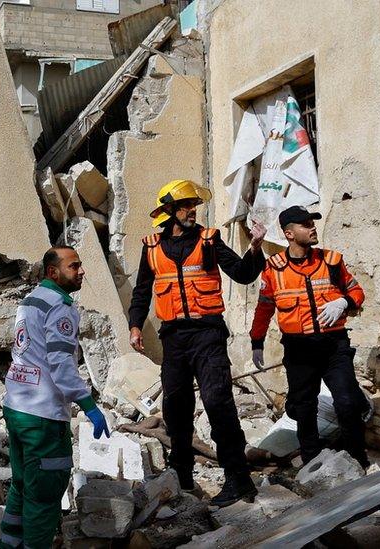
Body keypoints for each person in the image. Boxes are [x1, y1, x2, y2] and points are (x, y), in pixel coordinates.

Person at [128, 179, 266, 507]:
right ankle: (183, 476)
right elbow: (141, 293)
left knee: (218, 401)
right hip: (173, 339)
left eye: (194, 205)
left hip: (208, 335)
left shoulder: (209, 240)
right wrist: (135, 326)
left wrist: (256, 247)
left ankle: (238, 479)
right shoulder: (150, 247)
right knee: (176, 409)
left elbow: (244, 273)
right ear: (169, 211)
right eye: (186, 205)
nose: (193, 210)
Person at [0, 246, 110, 549]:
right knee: (45, 495)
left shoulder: (31, 300)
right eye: (74, 266)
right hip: (42, 416)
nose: (82, 271)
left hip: (17, 407)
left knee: (22, 486)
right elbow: (61, 366)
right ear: (53, 272)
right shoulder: (60, 307)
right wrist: (89, 406)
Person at [250, 205, 369, 468]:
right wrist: (256, 341)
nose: (312, 228)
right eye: (305, 225)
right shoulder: (274, 269)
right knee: (303, 406)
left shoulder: (332, 261)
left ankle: (357, 460)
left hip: (334, 345)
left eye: (312, 223)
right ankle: (313, 462)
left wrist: (343, 302)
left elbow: (358, 292)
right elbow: (264, 308)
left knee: (348, 402)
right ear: (289, 234)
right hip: (299, 349)